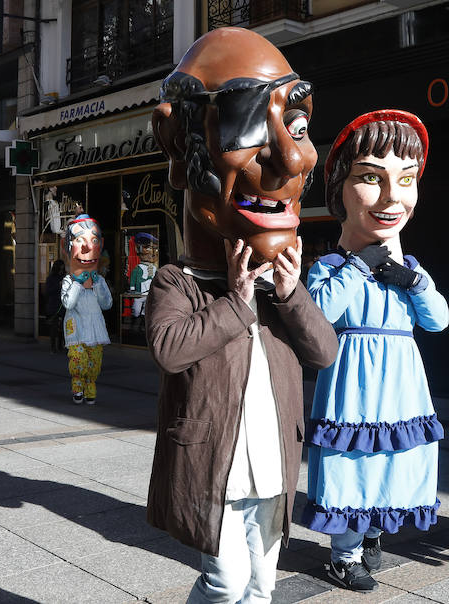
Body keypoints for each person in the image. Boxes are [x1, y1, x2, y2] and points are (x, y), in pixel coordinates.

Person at [145, 28, 338, 604]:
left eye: (299, 127)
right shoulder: (177, 281)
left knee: (261, 585)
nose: (297, 155)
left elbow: (323, 352)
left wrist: (290, 290)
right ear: (177, 145)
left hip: (272, 461)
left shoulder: (280, 292)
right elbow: (169, 349)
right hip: (215, 463)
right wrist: (236, 299)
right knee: (224, 582)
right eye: (251, 124)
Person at [302, 110, 449, 593]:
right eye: (370, 177)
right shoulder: (329, 265)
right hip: (353, 383)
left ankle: (372, 533)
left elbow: (438, 320)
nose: (393, 198)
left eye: (406, 180)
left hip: (402, 384)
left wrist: (415, 281)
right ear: (340, 189)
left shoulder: (411, 267)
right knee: (352, 463)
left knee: (393, 460)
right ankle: (343, 554)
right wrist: (359, 266)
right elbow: (319, 312)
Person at [60, 214, 112, 405]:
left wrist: (98, 285)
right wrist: (77, 284)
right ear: (67, 246)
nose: (87, 247)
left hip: (95, 330)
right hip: (77, 330)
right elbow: (68, 303)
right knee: (78, 361)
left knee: (94, 362)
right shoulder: (68, 281)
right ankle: (77, 388)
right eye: (79, 239)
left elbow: (107, 304)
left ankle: (90, 389)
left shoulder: (100, 281)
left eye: (94, 240)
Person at [44, 259, 66, 353]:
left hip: (63, 304)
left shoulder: (64, 277)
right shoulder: (51, 278)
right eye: (60, 269)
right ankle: (53, 347)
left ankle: (60, 345)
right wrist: (58, 286)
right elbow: (48, 292)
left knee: (62, 327)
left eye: (63, 269)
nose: (61, 271)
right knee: (54, 327)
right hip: (54, 305)